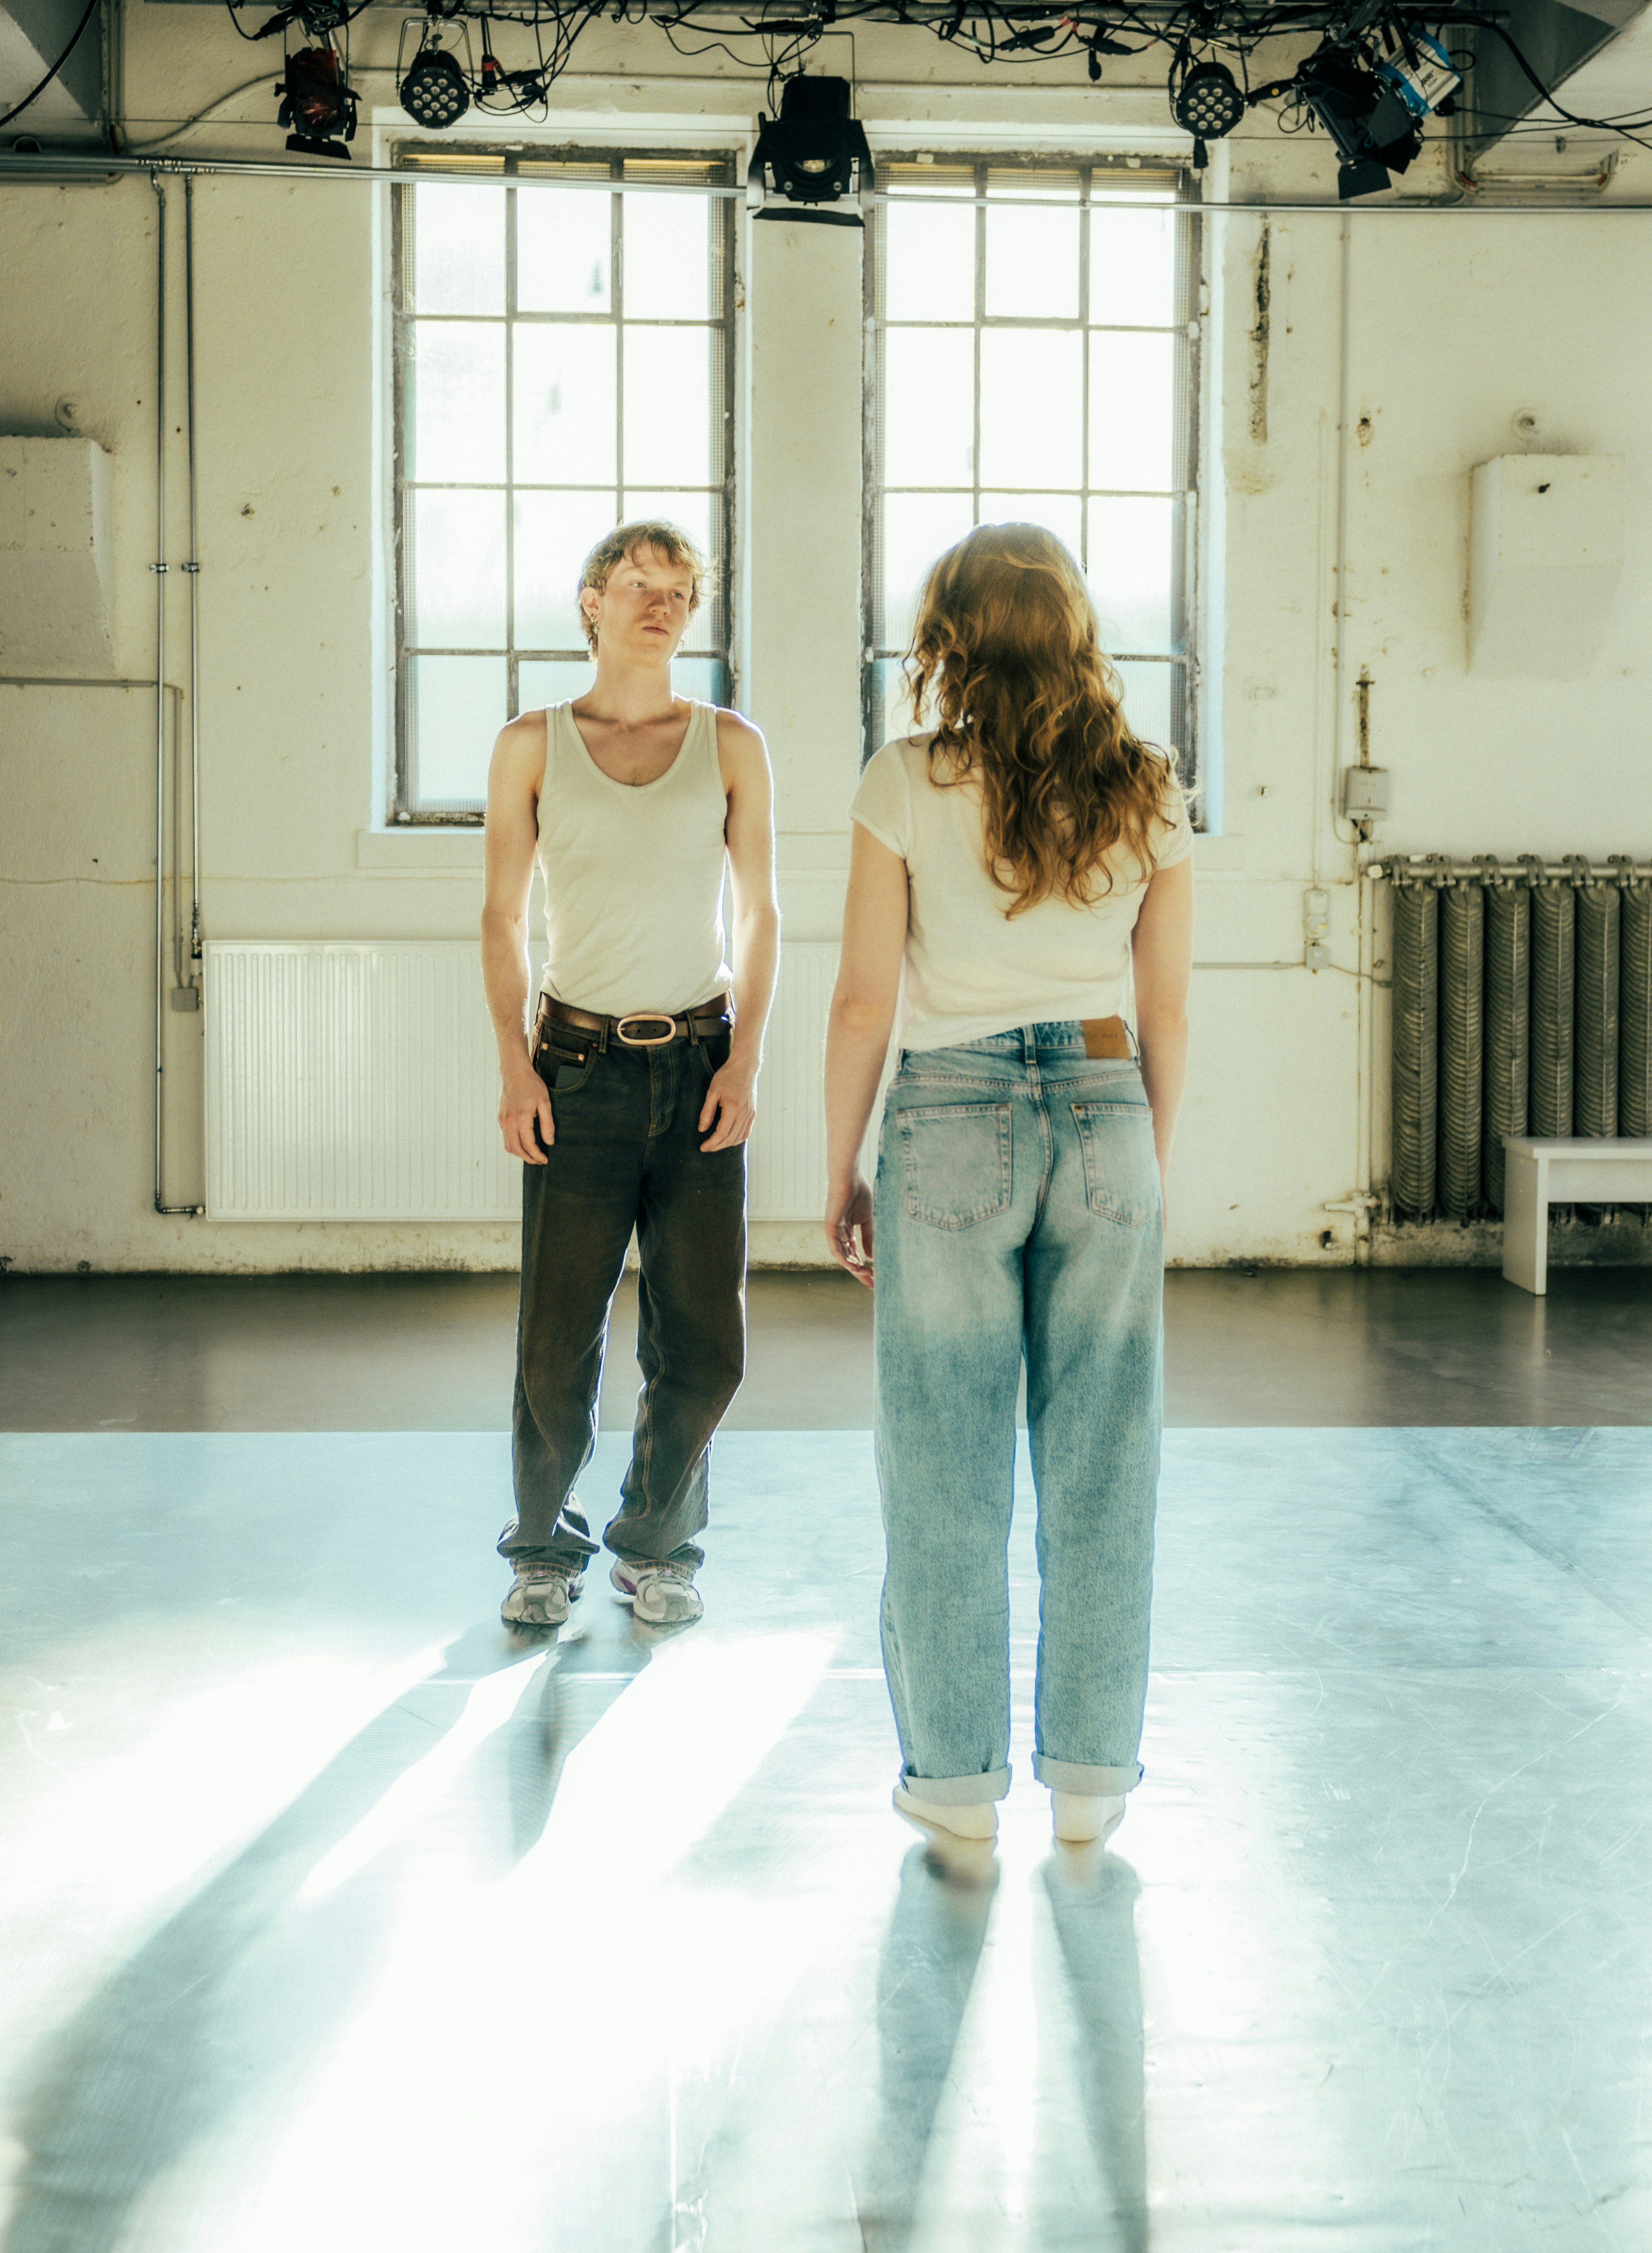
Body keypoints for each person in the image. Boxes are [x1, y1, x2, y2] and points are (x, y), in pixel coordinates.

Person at [822, 524, 1193, 1855]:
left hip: (950, 1113)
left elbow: (866, 996)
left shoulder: (906, 779)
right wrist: (1140, 1160)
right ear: (1076, 629)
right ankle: (1091, 1779)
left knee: (943, 1463)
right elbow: (1166, 1009)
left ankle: (957, 1785)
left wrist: (842, 1165)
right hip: (1106, 1108)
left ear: (952, 636)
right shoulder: (1146, 784)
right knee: (1105, 1463)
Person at [482, 520, 779, 1631]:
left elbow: (759, 914)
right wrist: (515, 1064)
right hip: (575, 1067)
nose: (660, 604)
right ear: (591, 602)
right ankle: (542, 1547)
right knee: (557, 1337)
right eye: (638, 585)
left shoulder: (730, 743)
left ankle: (657, 1543)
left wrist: (745, 1055)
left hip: (699, 1059)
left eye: (679, 590)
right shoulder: (533, 743)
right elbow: (502, 915)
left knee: (704, 1342)